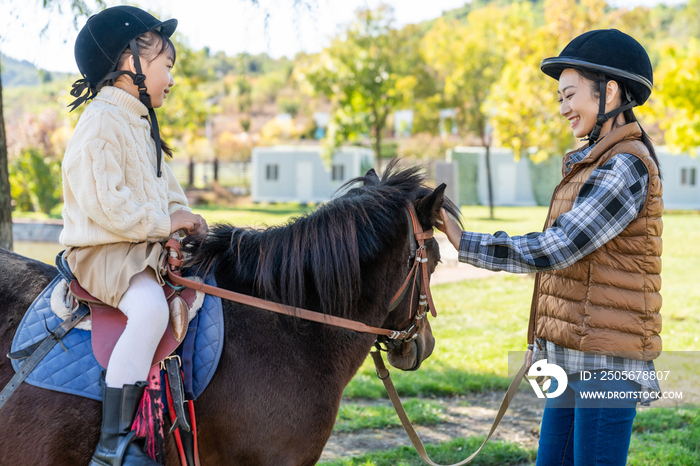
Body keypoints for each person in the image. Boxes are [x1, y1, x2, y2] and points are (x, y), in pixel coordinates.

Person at [438, 29, 662, 466]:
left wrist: (466, 242)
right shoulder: (592, 162)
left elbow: (559, 247)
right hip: (569, 357)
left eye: (570, 94)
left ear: (610, 91)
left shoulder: (625, 167)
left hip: (605, 364)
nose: (562, 108)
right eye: (560, 97)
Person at [59, 6, 207, 466]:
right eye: (167, 65)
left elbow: (165, 190)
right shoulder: (100, 122)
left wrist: (183, 216)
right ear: (131, 64)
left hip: (135, 246)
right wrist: (166, 225)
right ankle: (112, 443)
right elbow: (109, 206)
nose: (171, 77)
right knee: (146, 311)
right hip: (103, 250)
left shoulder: (140, 123)